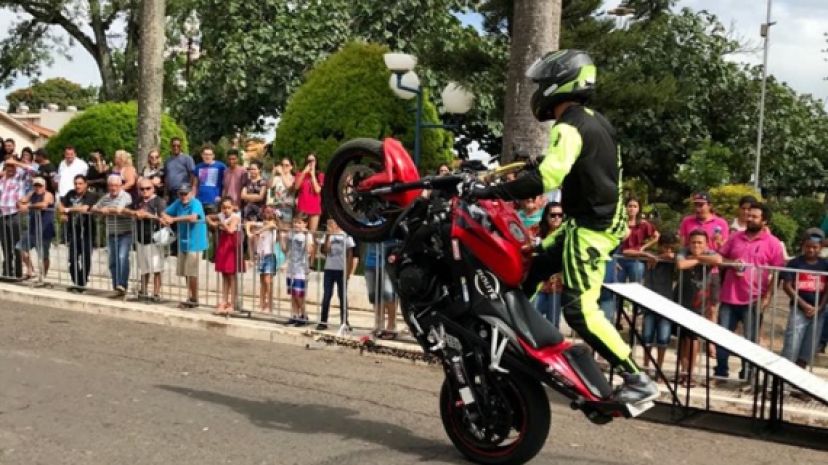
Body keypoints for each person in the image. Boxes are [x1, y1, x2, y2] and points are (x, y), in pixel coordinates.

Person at [472, 50, 658, 403]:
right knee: (530, 268)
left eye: (542, 83)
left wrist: (491, 191)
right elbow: (585, 169)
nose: (539, 89)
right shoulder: (596, 122)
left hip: (590, 231)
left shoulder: (569, 126)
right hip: (589, 225)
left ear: (559, 85)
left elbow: (546, 179)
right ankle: (516, 340)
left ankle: (638, 380)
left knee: (579, 310)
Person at [715, 202, 786, 382]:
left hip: (753, 299)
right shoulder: (735, 237)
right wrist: (730, 262)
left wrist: (768, 296)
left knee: (750, 341)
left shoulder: (773, 243)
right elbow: (720, 257)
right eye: (748, 215)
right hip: (729, 296)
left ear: (764, 221)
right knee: (722, 337)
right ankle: (720, 372)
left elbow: (777, 272)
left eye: (754, 216)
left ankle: (747, 375)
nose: (749, 218)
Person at [676, 230, 722, 387]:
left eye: (700, 243)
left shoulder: (709, 252)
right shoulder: (683, 251)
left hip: (700, 301)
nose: (696, 245)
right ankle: (683, 372)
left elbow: (717, 259)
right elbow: (681, 264)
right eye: (693, 242)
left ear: (706, 244)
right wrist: (701, 260)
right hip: (681, 299)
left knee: (693, 339)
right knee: (682, 339)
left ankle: (690, 374)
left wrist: (696, 258)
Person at [779, 228, 828, 369]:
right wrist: (804, 305)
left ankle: (797, 381)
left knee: (808, 347)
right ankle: (783, 380)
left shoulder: (825, 264)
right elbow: (787, 286)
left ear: (820, 248)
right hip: (799, 309)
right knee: (791, 345)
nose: (811, 250)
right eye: (808, 246)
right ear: (803, 246)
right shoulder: (795, 263)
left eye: (815, 247)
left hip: (819, 311)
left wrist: (820, 307)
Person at [633, 232, 680, 376]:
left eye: (671, 248)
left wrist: (661, 257)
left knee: (663, 338)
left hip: (665, 303)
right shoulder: (649, 257)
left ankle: (659, 368)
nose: (668, 251)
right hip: (649, 303)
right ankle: (647, 367)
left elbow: (676, 258)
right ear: (659, 246)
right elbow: (634, 251)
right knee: (647, 336)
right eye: (665, 247)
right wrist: (651, 251)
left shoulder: (672, 259)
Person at [162, 184, 208, 309]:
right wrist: (166, 218)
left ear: (191, 193)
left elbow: (193, 218)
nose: (183, 196)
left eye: (185, 193)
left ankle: (194, 298)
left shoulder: (195, 203)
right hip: (183, 242)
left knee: (192, 272)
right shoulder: (178, 202)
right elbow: (164, 213)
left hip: (196, 243)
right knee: (186, 273)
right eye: (181, 194)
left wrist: (174, 219)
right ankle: (191, 296)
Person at [91, 175, 134, 296]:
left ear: (120, 186)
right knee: (112, 262)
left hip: (125, 233)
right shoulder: (106, 197)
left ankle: (123, 284)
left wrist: (107, 209)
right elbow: (94, 208)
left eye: (116, 185)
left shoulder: (125, 196)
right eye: (111, 185)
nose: (113, 188)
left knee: (122, 258)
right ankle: (116, 287)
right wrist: (101, 210)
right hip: (111, 233)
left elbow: (119, 210)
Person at [59, 175, 99, 292]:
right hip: (73, 231)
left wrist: (68, 210)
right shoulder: (70, 194)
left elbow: (84, 208)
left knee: (86, 258)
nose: (78, 186)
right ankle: (77, 283)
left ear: (86, 184)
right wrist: (62, 213)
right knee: (72, 258)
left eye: (80, 183)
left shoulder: (91, 195)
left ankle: (81, 284)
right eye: (76, 183)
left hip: (87, 231)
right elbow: (61, 203)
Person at [0, 158, 38, 278]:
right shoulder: (2, 180)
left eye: (12, 167)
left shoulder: (20, 178)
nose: (10, 169)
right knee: (5, 246)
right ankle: (7, 272)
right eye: (8, 167)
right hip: (2, 215)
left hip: (15, 214)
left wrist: (16, 162)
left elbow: (34, 170)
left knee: (16, 245)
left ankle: (17, 273)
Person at [130, 178, 167, 301]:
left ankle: (156, 294)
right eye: (142, 189)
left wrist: (148, 215)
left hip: (155, 238)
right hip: (141, 238)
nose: (145, 191)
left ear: (153, 188)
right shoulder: (138, 201)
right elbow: (127, 210)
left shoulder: (159, 201)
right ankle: (143, 290)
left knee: (156, 268)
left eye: (148, 188)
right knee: (144, 267)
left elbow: (164, 219)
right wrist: (135, 213)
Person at [207, 197, 243, 315]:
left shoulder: (235, 217)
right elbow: (208, 217)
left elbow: (231, 230)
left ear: (232, 207)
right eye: (224, 208)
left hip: (232, 245)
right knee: (224, 274)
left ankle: (232, 303)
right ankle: (224, 300)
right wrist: (214, 223)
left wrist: (222, 224)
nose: (226, 210)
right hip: (223, 244)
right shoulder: (221, 215)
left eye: (228, 207)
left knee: (232, 275)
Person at [318, 218, 355, 330]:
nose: (329, 225)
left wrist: (348, 271)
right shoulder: (327, 236)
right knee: (327, 295)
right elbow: (325, 250)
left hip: (341, 269)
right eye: (328, 223)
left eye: (331, 223)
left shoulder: (346, 235)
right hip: (329, 269)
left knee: (342, 296)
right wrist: (328, 236)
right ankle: (323, 321)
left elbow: (350, 254)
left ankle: (345, 321)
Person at [246, 206, 284, 313]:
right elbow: (248, 223)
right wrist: (249, 232)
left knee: (268, 281)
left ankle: (270, 303)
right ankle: (262, 303)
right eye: (266, 211)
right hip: (261, 255)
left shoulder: (273, 225)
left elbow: (271, 225)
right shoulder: (261, 223)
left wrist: (258, 231)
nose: (268, 213)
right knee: (262, 280)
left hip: (269, 255)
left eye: (270, 212)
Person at [16, 177, 55, 280]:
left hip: (45, 230)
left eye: (40, 185)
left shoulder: (48, 194)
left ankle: (43, 276)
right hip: (33, 229)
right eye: (36, 185)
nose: (37, 188)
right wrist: (21, 204)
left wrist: (27, 206)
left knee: (43, 256)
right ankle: (30, 270)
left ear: (44, 186)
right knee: (20, 248)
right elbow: (21, 201)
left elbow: (43, 204)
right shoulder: (32, 193)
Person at [533, 202, 564, 327]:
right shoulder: (537, 232)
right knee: (533, 320)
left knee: (553, 324)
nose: (557, 218)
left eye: (560, 215)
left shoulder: (565, 235)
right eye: (553, 215)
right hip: (538, 283)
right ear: (546, 216)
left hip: (556, 284)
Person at [281, 213, 313, 326]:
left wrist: (306, 239)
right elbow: (285, 249)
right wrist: (282, 238)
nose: (296, 225)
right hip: (291, 267)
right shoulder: (291, 234)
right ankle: (294, 315)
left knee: (299, 294)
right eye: (295, 222)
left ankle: (304, 315)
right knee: (293, 294)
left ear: (305, 224)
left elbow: (309, 250)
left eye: (299, 223)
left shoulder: (307, 235)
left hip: (301, 268)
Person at [364, 240, 399, 340]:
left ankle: (391, 326)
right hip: (370, 261)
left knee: (389, 295)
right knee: (374, 296)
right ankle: (379, 324)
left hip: (386, 261)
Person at [619, 196, 659, 284]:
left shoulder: (643, 224)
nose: (632, 209)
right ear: (625, 207)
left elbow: (656, 236)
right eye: (630, 206)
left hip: (636, 260)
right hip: (620, 259)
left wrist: (644, 247)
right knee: (616, 288)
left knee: (635, 288)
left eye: (635, 206)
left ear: (638, 209)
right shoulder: (620, 223)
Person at [293, 153, 324, 233]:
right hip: (302, 208)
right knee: (300, 234)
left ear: (316, 162)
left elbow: (317, 190)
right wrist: (304, 173)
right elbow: (296, 187)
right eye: (308, 160)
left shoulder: (320, 175)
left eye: (312, 160)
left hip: (314, 208)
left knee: (312, 235)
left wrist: (313, 175)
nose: (310, 162)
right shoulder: (300, 174)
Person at [193, 146, 226, 214]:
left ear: (213, 156)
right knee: (200, 222)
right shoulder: (198, 167)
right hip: (199, 200)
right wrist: (193, 198)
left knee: (212, 223)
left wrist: (222, 197)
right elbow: (195, 185)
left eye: (210, 154)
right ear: (202, 155)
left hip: (214, 201)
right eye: (205, 154)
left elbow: (226, 184)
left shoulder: (221, 166)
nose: (207, 156)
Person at [268, 157, 295, 223]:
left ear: (291, 167)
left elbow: (289, 187)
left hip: (287, 209)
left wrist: (282, 173)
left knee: (284, 231)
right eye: (282, 165)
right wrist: (273, 173)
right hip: (276, 208)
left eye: (287, 165)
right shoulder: (277, 178)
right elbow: (269, 187)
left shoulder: (294, 178)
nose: (284, 167)